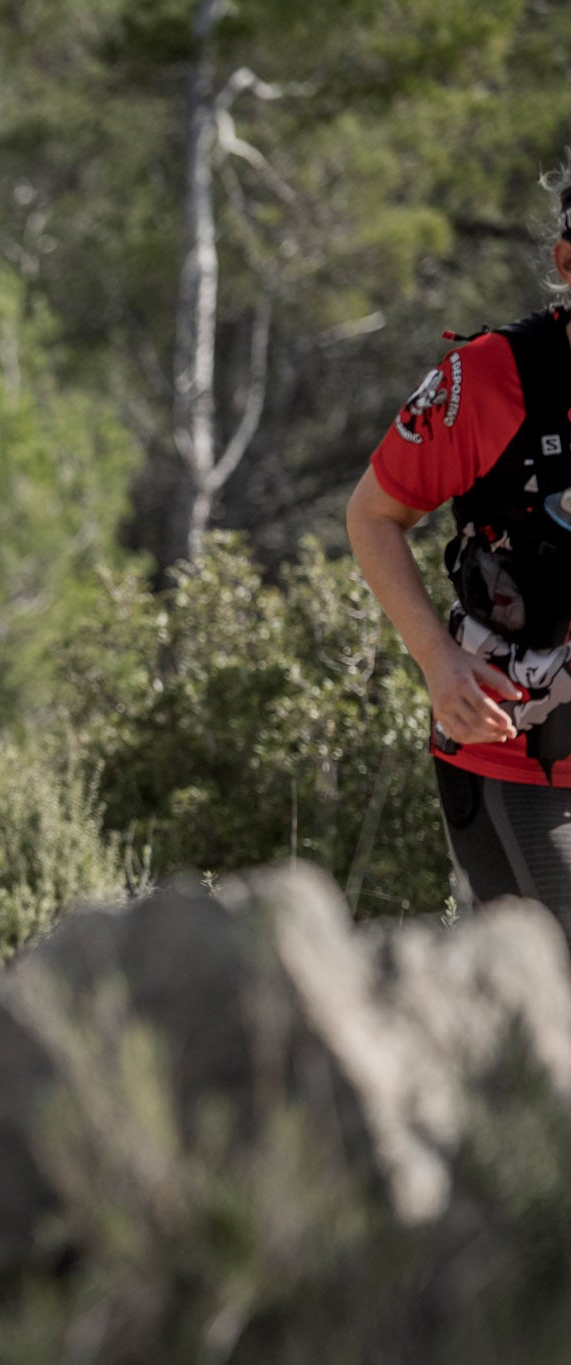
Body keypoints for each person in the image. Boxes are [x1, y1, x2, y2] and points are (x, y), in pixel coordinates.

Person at [346, 158, 571, 926]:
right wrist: (439, 664)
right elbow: (371, 515)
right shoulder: (485, 381)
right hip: (516, 759)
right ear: (566, 263)